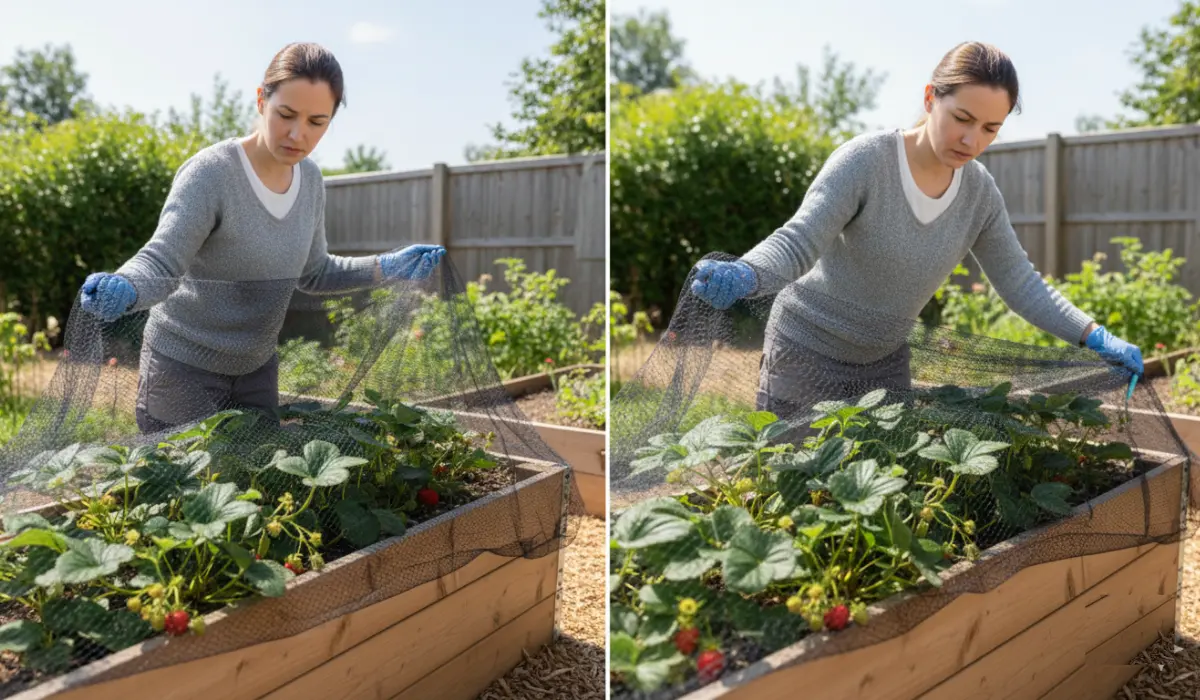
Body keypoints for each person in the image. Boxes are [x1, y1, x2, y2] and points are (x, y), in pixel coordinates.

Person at [688, 41, 1143, 422]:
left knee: (878, 504)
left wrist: (1095, 335)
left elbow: (1020, 283)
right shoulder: (866, 162)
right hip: (806, 351)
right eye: (962, 118)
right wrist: (747, 273)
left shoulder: (979, 194)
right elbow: (798, 241)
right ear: (930, 98)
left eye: (990, 128)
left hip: (884, 364)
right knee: (795, 489)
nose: (972, 141)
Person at [77, 42, 445, 433]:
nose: (297, 134)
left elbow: (315, 272)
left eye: (317, 122)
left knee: (254, 487)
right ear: (260, 100)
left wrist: (384, 267)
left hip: (255, 371)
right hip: (183, 367)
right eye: (285, 114)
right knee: (186, 487)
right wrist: (127, 285)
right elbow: (162, 261)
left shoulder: (311, 182)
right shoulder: (212, 174)